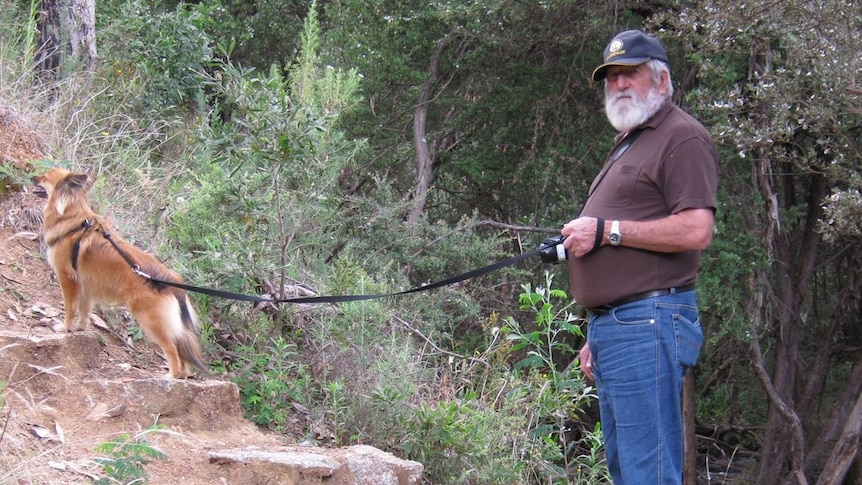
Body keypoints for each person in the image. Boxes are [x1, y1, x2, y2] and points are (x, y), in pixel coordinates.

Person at [560, 29, 718, 484]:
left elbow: (696, 229)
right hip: (620, 326)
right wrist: (600, 327)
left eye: (630, 74)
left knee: (647, 472)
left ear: (662, 81)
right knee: (627, 470)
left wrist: (606, 230)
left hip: (649, 323)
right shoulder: (633, 139)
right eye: (612, 78)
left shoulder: (681, 137)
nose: (619, 85)